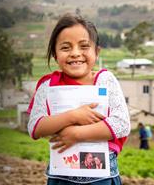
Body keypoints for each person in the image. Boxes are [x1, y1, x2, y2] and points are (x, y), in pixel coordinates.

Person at [27, 13, 130, 184]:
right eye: (66, 48)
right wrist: (73, 116)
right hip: (61, 176)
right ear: (55, 54)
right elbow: (34, 127)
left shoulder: (105, 81)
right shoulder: (48, 86)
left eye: (84, 46)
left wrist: (76, 134)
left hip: (102, 177)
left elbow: (121, 124)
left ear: (96, 52)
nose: (75, 53)